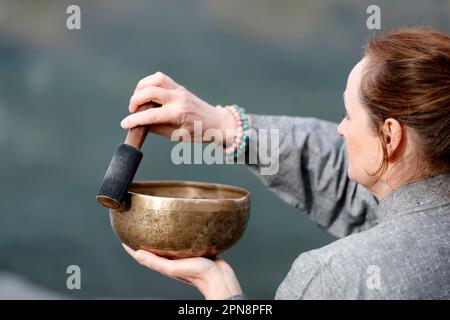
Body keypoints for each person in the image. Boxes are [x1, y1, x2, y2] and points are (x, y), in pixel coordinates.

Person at [120, 27, 450, 299]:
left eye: (349, 115)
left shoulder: (331, 279)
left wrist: (220, 291)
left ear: (390, 137)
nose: (340, 129)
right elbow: (346, 180)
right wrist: (224, 125)